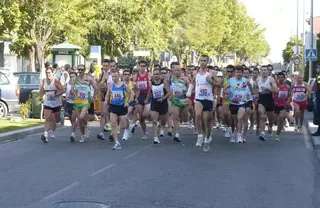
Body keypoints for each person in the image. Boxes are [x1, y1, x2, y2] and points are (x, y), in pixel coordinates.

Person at [106, 71, 134, 150]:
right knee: (113, 124)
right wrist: (106, 100)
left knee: (123, 125)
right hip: (113, 106)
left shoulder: (123, 85)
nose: (114, 78)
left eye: (115, 76)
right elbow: (107, 95)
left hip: (122, 107)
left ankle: (128, 127)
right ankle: (117, 142)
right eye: (113, 77)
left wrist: (128, 102)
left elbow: (132, 93)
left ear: (119, 76)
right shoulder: (110, 85)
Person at [70, 65, 98, 143]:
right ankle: (84, 133)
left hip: (85, 101)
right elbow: (72, 89)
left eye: (82, 69)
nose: (80, 71)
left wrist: (94, 97)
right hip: (77, 101)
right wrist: (72, 91)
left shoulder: (89, 78)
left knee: (80, 117)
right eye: (79, 69)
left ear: (84, 70)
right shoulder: (74, 79)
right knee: (81, 120)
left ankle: (73, 133)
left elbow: (96, 88)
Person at [39, 67, 64, 143]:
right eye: (46, 73)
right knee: (47, 119)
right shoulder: (44, 81)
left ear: (52, 73)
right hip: (48, 102)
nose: (48, 74)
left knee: (56, 120)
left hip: (56, 103)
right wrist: (41, 98)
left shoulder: (56, 80)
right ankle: (45, 135)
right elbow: (42, 90)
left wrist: (56, 94)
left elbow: (62, 90)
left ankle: (60, 117)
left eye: (49, 73)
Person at [148, 68, 171, 144]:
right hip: (154, 103)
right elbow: (149, 92)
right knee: (154, 120)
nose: (156, 75)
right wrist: (146, 100)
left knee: (163, 120)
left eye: (157, 74)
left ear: (160, 75)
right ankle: (155, 137)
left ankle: (162, 127)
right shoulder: (151, 83)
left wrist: (163, 98)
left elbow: (169, 93)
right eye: (154, 74)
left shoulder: (164, 82)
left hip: (163, 103)